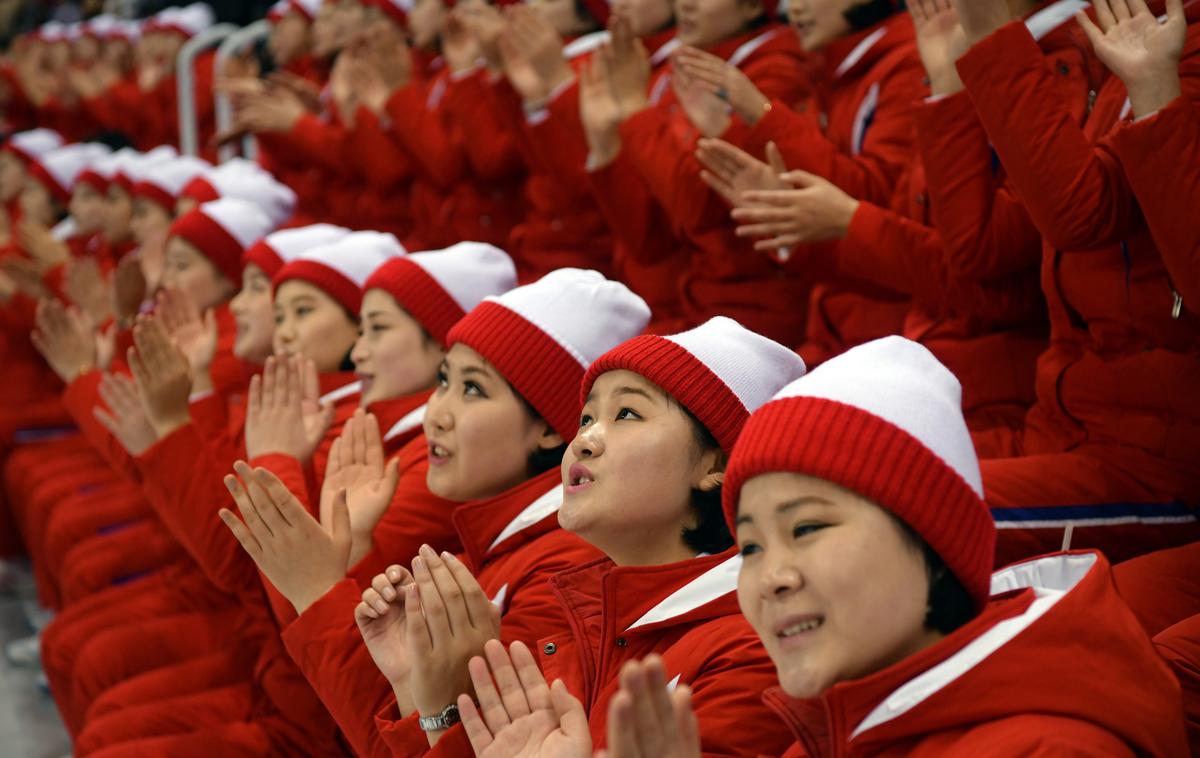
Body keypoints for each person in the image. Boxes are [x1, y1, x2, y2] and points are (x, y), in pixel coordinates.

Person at [409, 316, 807, 756]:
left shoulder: (749, 650)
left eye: (627, 414)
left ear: (714, 466)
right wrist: (428, 701)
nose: (584, 441)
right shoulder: (584, 625)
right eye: (586, 418)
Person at [949, 0, 1200, 564]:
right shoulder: (1130, 31)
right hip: (1060, 423)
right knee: (810, 462)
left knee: (884, 506)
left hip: (1154, 463)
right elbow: (983, 248)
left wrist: (989, 35)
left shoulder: (1122, 43)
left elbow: (1065, 219)